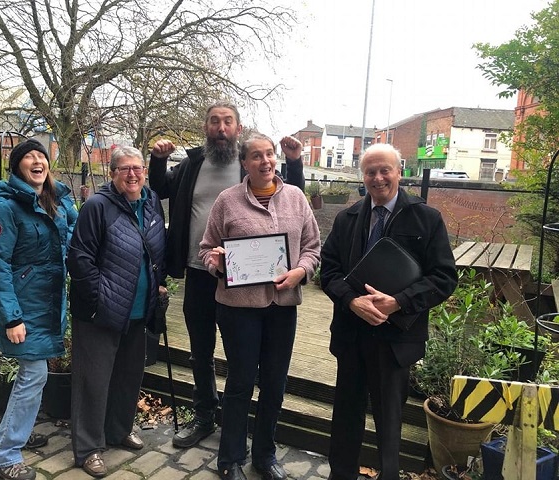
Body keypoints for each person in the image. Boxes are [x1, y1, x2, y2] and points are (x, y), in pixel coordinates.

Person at [148, 100, 306, 449]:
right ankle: (205, 415)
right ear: (206, 128)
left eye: (228, 122)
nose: (221, 128)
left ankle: (242, 423)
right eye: (214, 122)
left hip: (245, 279)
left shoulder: (250, 164)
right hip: (198, 270)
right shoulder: (192, 165)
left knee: (244, 355)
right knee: (200, 350)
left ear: (238, 128)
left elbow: (289, 199)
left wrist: (294, 162)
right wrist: (157, 160)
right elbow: (159, 189)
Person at [319, 143, 458, 480]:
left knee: (389, 422)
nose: (378, 178)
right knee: (346, 418)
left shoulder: (426, 218)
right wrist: (353, 301)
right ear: (362, 176)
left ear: (399, 172)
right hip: (352, 333)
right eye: (370, 171)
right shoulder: (347, 218)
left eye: (385, 170)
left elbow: (444, 277)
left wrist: (399, 301)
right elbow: (329, 272)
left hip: (396, 339)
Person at [199, 132, 321, 480]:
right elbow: (207, 248)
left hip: (282, 306)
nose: (265, 161)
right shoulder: (227, 200)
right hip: (238, 308)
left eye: (269, 155)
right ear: (244, 163)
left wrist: (301, 271)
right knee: (239, 382)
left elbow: (313, 246)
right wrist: (217, 262)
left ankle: (265, 456)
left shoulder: (296, 198)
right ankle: (230, 459)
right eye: (256, 156)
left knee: (274, 383)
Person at [0, 138, 78, 480]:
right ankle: (4, 456)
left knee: (33, 377)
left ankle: (17, 435)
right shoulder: (4, 208)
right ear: (17, 167)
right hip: (24, 308)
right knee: (34, 375)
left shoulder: (59, 201)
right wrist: (11, 317)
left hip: (50, 304)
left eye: (42, 156)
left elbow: (77, 241)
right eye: (28, 157)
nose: (37, 161)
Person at [67, 146, 167, 478]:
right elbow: (79, 258)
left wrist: (158, 286)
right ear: (112, 174)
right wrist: (100, 297)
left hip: (138, 312)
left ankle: (119, 429)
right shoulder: (97, 206)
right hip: (100, 312)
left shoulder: (152, 203)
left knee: (128, 376)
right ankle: (88, 448)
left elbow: (155, 251)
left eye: (137, 168)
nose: (133, 174)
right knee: (93, 381)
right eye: (124, 169)